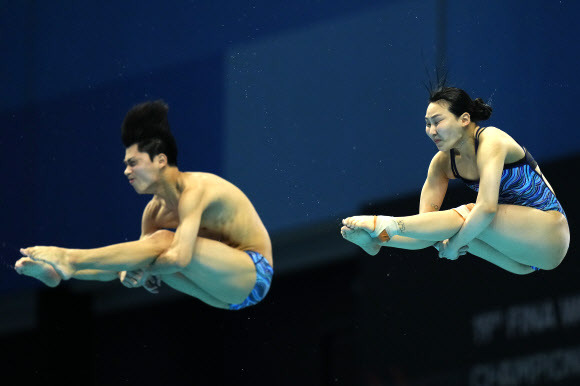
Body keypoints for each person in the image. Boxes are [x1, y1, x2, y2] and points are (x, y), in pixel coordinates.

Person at [15, 100, 273, 310]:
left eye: (133, 163)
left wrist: (139, 267)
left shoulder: (196, 190)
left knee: (162, 245)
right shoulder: (153, 212)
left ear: (161, 160)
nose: (126, 172)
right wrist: (134, 272)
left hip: (253, 273)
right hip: (222, 297)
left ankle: (70, 258)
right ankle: (61, 273)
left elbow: (179, 259)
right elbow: (129, 266)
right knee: (143, 254)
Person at [341, 87, 569, 274]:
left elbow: (487, 209)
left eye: (437, 121)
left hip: (551, 234)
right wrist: (385, 237)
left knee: (472, 213)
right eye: (427, 123)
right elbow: (425, 232)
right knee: (438, 229)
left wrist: (456, 246)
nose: (431, 131)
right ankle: (378, 239)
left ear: (464, 119)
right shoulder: (441, 165)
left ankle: (386, 224)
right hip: (521, 262)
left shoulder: (492, 140)